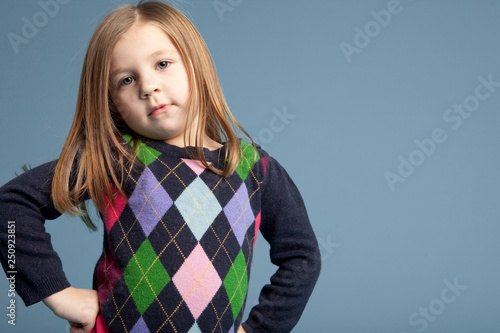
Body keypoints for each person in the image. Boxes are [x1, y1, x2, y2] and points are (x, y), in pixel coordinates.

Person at [0, 1, 321, 332]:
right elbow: (10, 205)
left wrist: (260, 329)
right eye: (126, 80)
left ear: (196, 65)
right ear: (112, 102)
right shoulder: (116, 159)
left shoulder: (254, 169)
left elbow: (302, 257)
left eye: (163, 64)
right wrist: (55, 291)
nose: (148, 86)